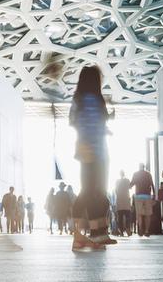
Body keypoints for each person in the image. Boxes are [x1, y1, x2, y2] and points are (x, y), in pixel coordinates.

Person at [69, 67, 112, 251]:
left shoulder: (87, 99)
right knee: (90, 191)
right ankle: (83, 234)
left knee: (94, 192)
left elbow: (79, 122)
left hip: (95, 150)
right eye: (100, 77)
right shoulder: (88, 99)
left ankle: (96, 234)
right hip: (91, 150)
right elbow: (82, 124)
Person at [131, 165, 154, 236]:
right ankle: (147, 231)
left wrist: (127, 186)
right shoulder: (148, 174)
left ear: (139, 167)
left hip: (138, 196)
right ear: (144, 167)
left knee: (139, 214)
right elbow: (152, 184)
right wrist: (155, 195)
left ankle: (140, 229)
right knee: (148, 214)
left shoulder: (136, 174)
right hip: (147, 195)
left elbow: (132, 184)